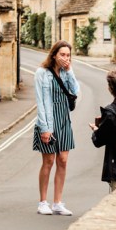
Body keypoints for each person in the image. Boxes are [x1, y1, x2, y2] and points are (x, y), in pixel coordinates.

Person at [33, 40, 80, 215]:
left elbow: (75, 91)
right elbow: (40, 102)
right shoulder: (42, 73)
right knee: (49, 161)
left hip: (64, 120)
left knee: (63, 160)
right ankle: (42, 202)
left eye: (68, 55)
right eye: (62, 54)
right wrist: (45, 128)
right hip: (48, 121)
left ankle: (58, 203)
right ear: (54, 55)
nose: (65, 58)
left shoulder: (66, 72)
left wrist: (70, 70)